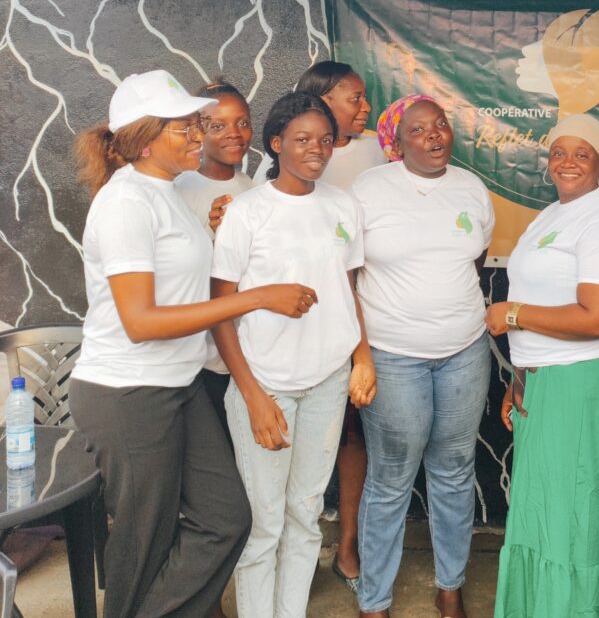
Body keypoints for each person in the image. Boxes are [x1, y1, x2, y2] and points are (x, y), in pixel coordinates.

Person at [69, 69, 318, 618]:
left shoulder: (168, 193)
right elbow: (141, 321)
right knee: (144, 543)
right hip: (129, 393)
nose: (198, 136)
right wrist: (256, 299)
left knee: (225, 519)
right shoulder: (125, 202)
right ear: (145, 138)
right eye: (185, 128)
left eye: (195, 125)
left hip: (177, 384)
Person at [211, 90, 376, 618]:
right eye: (302, 139)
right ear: (277, 143)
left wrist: (362, 358)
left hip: (327, 381)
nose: (316, 149)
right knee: (264, 524)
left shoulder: (342, 205)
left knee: (305, 516)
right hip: (267, 384)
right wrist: (253, 397)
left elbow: (348, 290)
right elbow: (221, 312)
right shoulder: (247, 212)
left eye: (325, 140)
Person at [351, 95, 494, 618]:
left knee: (454, 470)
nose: (434, 135)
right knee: (391, 478)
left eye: (441, 125)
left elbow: (474, 259)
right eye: (418, 129)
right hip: (393, 356)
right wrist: (361, 355)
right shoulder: (368, 190)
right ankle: (375, 599)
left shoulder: (471, 188)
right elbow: (347, 274)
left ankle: (450, 586)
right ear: (396, 142)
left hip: (464, 351)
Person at [488, 113, 599, 618]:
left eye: (582, 154)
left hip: (582, 384)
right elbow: (540, 294)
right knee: (542, 513)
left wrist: (512, 314)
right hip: (544, 383)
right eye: (559, 152)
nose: (568, 162)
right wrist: (519, 376)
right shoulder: (554, 214)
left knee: (574, 517)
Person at [294, 60, 386, 592]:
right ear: (323, 100)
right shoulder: (289, 159)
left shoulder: (378, 152)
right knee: (298, 445)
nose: (365, 107)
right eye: (355, 97)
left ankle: (348, 547)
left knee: (354, 437)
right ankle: (295, 555)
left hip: (364, 315)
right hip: (300, 322)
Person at [174, 80, 255, 439]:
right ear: (197, 131)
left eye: (243, 122)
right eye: (218, 125)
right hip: (200, 361)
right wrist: (211, 234)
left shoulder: (252, 188)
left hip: (247, 354)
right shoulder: (180, 189)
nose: (234, 133)